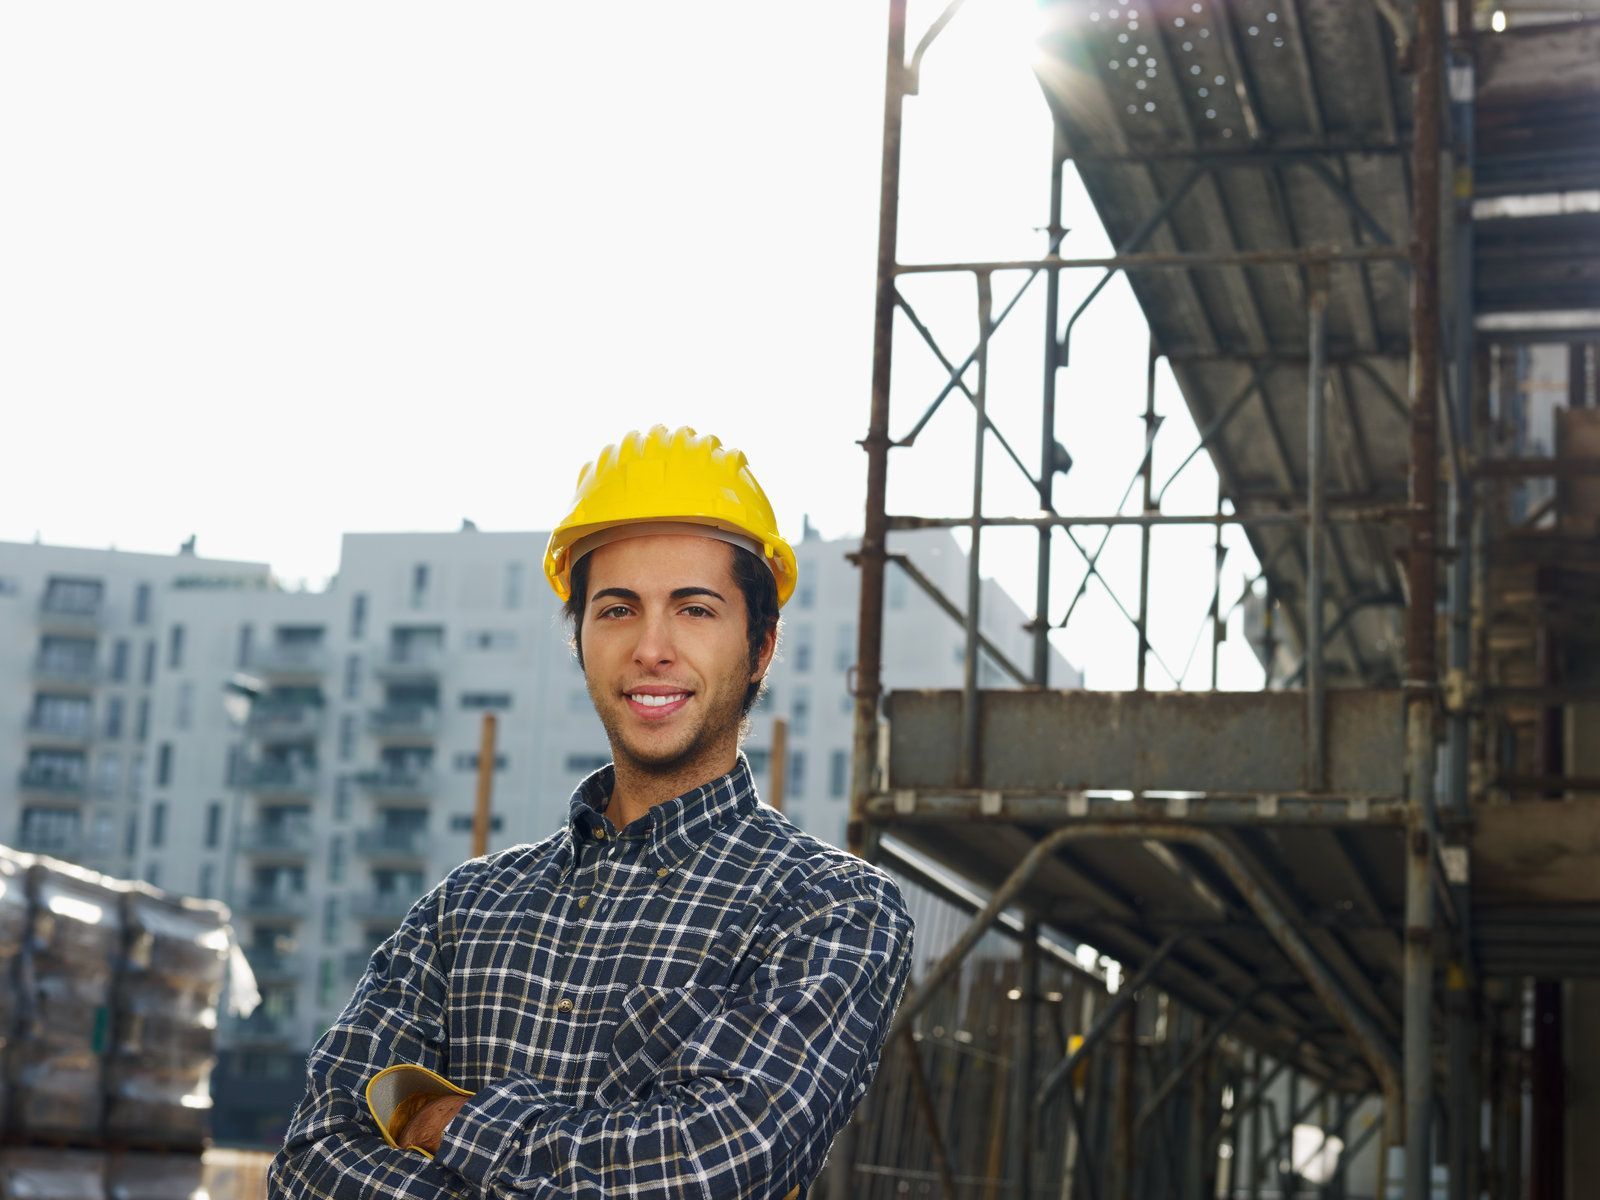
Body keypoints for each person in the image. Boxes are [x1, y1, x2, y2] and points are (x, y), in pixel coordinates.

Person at [268, 425, 915, 1198]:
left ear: (763, 645)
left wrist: (446, 1122)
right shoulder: (463, 911)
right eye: (616, 610)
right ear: (580, 639)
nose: (652, 648)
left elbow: (710, 1165)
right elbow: (313, 1159)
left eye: (695, 610)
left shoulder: (830, 909)